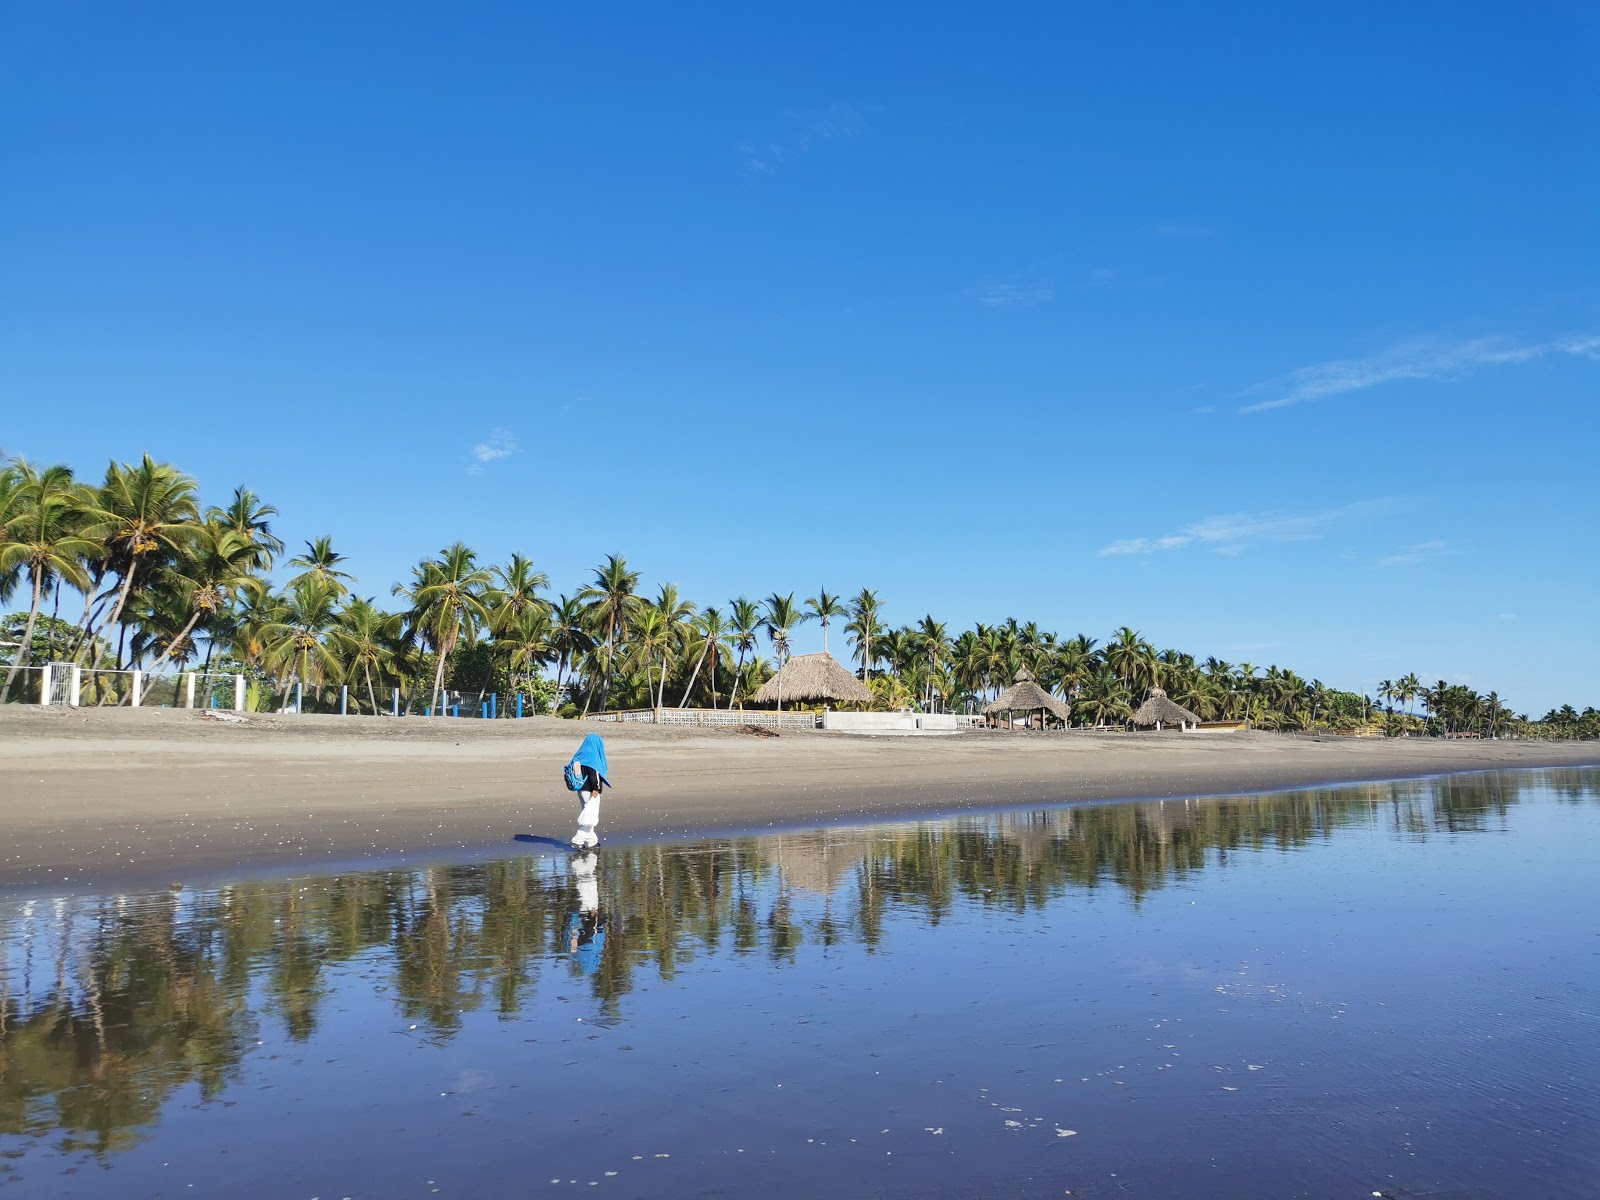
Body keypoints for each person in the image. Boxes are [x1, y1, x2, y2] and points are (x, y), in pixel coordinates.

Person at [565, 733, 610, 849]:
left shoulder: (580, 754)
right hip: (591, 791)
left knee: (588, 814)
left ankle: (592, 842)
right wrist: (596, 789)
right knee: (590, 817)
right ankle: (577, 840)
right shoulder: (593, 756)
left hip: (581, 790)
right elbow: (594, 773)